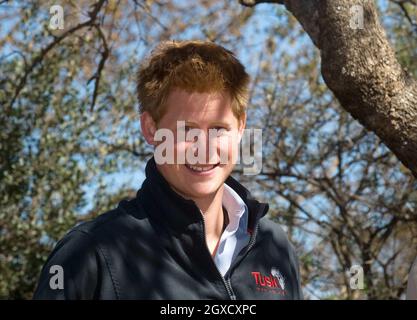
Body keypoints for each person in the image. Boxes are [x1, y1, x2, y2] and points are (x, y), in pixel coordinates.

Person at [33, 40, 303, 300]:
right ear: (151, 129)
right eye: (187, 130)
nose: (204, 149)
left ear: (241, 128)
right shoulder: (90, 252)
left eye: (218, 129)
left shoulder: (274, 247)